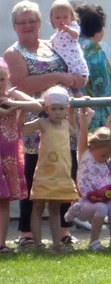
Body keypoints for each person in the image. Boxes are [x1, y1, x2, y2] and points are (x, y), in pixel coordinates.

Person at [5, 0, 86, 247]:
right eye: (23, 22)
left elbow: (76, 66)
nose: (28, 26)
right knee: (33, 176)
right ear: (15, 26)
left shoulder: (54, 45)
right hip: (34, 125)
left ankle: (62, 229)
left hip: (63, 122)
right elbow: (22, 83)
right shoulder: (13, 53)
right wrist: (61, 77)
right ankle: (27, 233)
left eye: (33, 21)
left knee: (64, 173)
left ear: (41, 23)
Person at [21, 86, 79, 252]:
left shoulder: (66, 125)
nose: (58, 112)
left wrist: (79, 115)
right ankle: (38, 243)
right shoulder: (43, 123)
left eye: (61, 109)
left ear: (66, 109)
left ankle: (57, 243)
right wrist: (23, 111)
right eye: (54, 109)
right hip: (44, 175)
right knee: (37, 208)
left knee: (55, 209)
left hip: (61, 175)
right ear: (46, 109)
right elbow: (23, 128)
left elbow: (75, 132)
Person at [65, 107, 111, 250]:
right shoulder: (85, 155)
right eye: (103, 155)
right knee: (102, 208)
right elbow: (83, 133)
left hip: (101, 198)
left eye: (108, 156)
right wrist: (83, 117)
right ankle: (93, 241)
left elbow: (110, 131)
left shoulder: (104, 159)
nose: (106, 159)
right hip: (84, 203)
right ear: (93, 148)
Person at [0, 59, 37, 252]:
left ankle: (1, 243)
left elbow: (37, 106)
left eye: (2, 79)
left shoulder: (10, 94)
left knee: (4, 200)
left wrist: (13, 103)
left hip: (8, 157)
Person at [74, 2, 111, 133]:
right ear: (99, 28)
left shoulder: (68, 46)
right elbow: (102, 84)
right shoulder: (94, 49)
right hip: (93, 115)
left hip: (69, 112)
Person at [48, 0, 89, 91]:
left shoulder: (72, 27)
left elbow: (76, 35)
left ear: (71, 17)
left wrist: (68, 30)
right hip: (63, 66)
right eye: (58, 18)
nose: (62, 20)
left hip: (74, 64)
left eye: (65, 17)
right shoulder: (56, 35)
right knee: (68, 88)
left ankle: (83, 103)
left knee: (74, 84)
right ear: (52, 20)